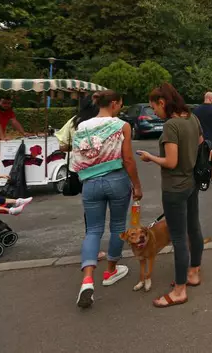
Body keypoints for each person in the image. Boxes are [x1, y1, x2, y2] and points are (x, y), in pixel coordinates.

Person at [71, 90, 143, 309]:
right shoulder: (122, 126)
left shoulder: (82, 126)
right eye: (120, 104)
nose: (120, 107)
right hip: (116, 180)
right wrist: (137, 185)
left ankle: (87, 281)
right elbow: (128, 159)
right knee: (118, 226)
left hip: (90, 183)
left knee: (93, 230)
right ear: (113, 104)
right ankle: (111, 270)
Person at [137, 83, 204, 308]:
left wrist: (150, 157)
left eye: (153, 107)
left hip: (175, 187)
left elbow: (171, 162)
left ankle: (179, 291)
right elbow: (201, 142)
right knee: (193, 227)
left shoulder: (171, 126)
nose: (153, 111)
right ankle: (193, 272)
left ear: (163, 102)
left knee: (178, 237)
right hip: (191, 182)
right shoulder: (191, 118)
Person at [56, 95, 107, 262]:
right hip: (99, 169)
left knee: (90, 211)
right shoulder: (101, 121)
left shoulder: (73, 122)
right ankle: (100, 248)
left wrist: (76, 145)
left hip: (78, 171)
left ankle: (92, 249)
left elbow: (62, 146)